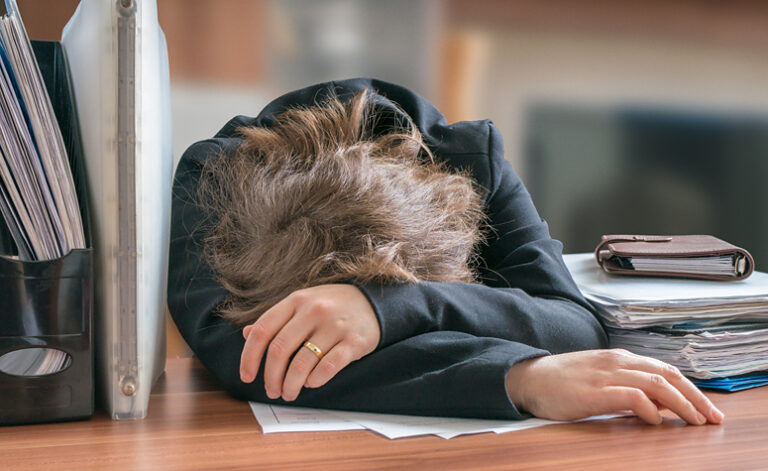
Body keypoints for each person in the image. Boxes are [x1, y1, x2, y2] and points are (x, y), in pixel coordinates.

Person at [167, 78, 723, 425]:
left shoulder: (469, 158)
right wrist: (518, 379)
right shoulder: (211, 177)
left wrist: (394, 309)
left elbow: (574, 325)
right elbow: (248, 359)